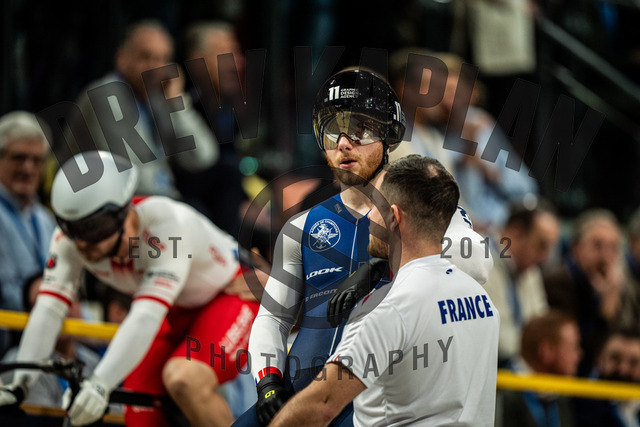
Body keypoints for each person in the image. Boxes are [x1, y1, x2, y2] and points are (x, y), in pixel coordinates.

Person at [233, 68, 494, 426]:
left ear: (388, 135)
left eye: (360, 130)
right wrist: (267, 383)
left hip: (368, 410)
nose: (343, 143)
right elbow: (274, 317)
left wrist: (383, 264)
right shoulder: (301, 226)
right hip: (296, 397)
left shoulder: (423, 205)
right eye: (332, 130)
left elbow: (479, 265)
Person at [0, 150, 260, 427]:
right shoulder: (69, 241)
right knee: (137, 407)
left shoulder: (168, 226)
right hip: (171, 310)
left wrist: (100, 384)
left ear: (123, 213)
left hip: (229, 296)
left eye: (94, 228)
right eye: (72, 229)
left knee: (184, 378)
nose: (83, 244)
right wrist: (20, 384)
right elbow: (49, 308)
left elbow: (146, 314)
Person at [270, 155, 500, 426]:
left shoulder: (386, 310)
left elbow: (322, 404)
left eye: (375, 207)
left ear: (394, 217)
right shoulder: (482, 301)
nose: (369, 216)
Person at [70, 19, 218, 198]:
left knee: (225, 176)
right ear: (122, 59)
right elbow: (130, 174)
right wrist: (173, 200)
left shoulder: (155, 99)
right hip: (99, 200)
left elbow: (203, 157)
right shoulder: (104, 95)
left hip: (149, 197)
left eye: (163, 59)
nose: (155, 67)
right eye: (146, 57)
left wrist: (177, 103)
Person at [175, 20, 249, 236]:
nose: (238, 62)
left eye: (237, 53)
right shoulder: (182, 105)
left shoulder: (226, 106)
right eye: (226, 53)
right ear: (196, 61)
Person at [544, 209, 637, 377]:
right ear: (575, 248)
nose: (605, 256)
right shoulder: (556, 286)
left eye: (613, 248)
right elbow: (578, 354)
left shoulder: (619, 286)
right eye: (597, 246)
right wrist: (605, 314)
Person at [0, 111, 56, 356]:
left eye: (37, 160)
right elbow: (8, 296)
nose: (28, 168)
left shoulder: (45, 219)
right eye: (19, 158)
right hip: (10, 343)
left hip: (49, 336)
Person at [1, 273, 101, 409]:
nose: (61, 310)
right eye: (44, 304)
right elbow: (43, 419)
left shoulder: (94, 362)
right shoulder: (19, 364)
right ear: (27, 315)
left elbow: (116, 414)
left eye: (68, 298)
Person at [484, 202, 560, 368]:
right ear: (516, 232)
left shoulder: (530, 270)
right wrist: (534, 349)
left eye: (550, 248)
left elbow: (540, 327)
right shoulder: (479, 263)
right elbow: (496, 339)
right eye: (541, 245)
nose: (545, 257)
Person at [495, 310, 581, 427]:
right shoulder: (503, 395)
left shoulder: (560, 395)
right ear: (546, 351)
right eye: (574, 347)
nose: (578, 355)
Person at [573, 328, 640, 426]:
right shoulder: (577, 403)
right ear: (599, 358)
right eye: (615, 358)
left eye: (633, 362)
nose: (623, 369)